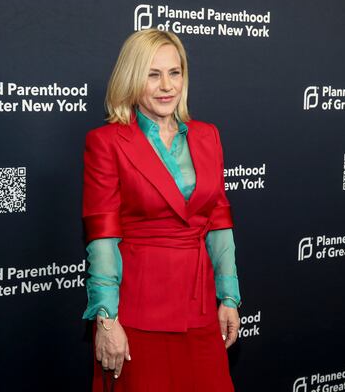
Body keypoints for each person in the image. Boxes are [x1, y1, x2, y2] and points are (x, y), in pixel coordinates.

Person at [81, 28, 242, 392]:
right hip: (139, 315)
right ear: (132, 79)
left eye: (175, 72)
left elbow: (218, 220)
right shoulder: (106, 142)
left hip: (200, 312)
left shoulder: (207, 136)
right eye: (153, 74)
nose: (166, 85)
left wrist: (229, 295)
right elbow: (103, 237)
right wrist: (107, 320)